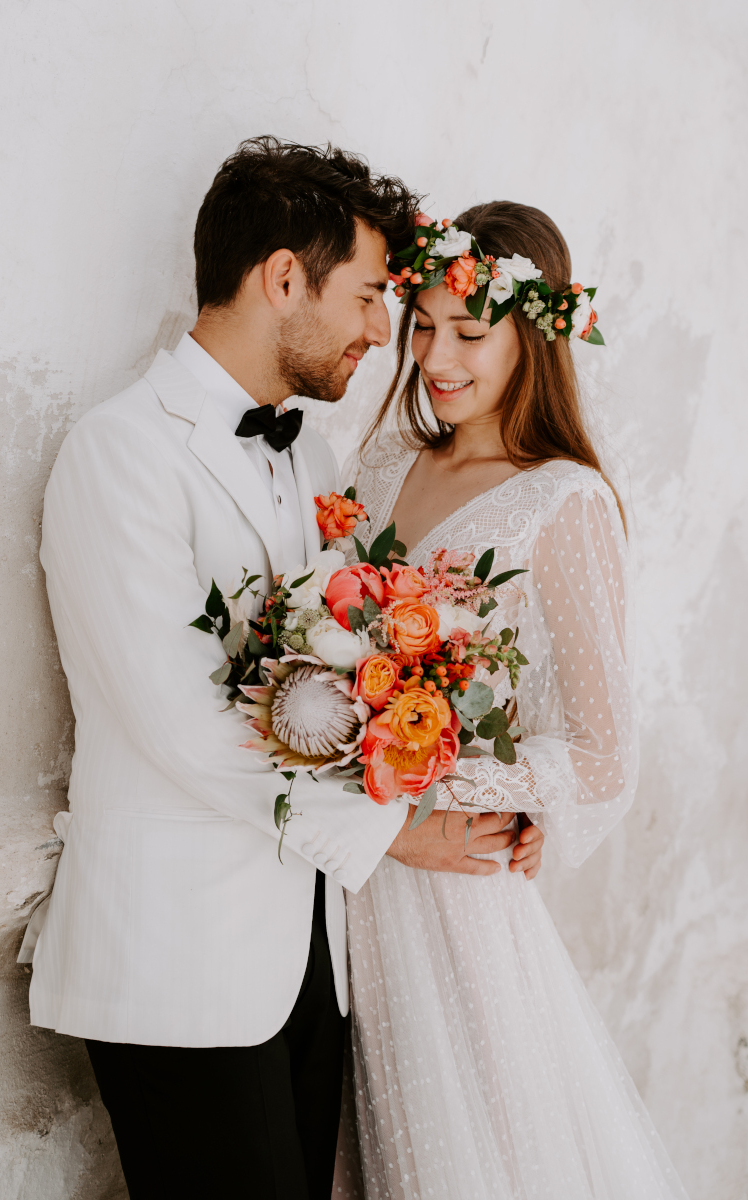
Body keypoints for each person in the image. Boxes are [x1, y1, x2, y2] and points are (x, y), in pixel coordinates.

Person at [25, 140, 544, 1200]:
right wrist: (400, 833)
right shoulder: (120, 453)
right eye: (364, 297)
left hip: (314, 961)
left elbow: (344, 681)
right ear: (279, 279)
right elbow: (178, 724)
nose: (378, 332)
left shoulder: (310, 455)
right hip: (177, 966)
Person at [344, 201, 690, 1198]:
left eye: (468, 330)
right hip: (336, 860)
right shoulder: (378, 464)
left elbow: (598, 752)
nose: (434, 356)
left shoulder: (560, 501)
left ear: (530, 333)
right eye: (422, 325)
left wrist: (448, 785)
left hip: (445, 889)